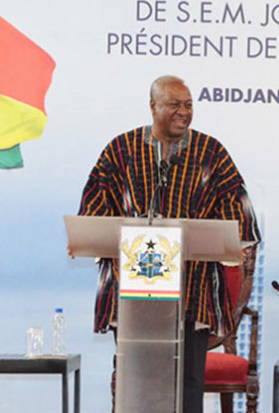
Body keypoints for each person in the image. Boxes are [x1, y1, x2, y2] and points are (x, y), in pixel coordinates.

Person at [74, 75, 261, 413]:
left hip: (192, 292)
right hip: (133, 297)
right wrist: (103, 235)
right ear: (153, 107)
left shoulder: (211, 153)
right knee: (139, 381)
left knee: (189, 384)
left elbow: (239, 209)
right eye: (175, 105)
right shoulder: (122, 151)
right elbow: (93, 210)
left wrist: (235, 241)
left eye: (188, 105)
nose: (183, 112)